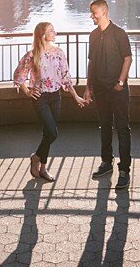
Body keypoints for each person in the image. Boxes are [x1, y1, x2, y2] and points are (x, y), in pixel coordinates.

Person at [13, 21, 87, 181]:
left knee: (48, 133)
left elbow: (65, 77)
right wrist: (27, 91)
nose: (55, 33)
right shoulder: (32, 55)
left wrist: (76, 96)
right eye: (51, 31)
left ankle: (43, 168)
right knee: (52, 133)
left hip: (55, 97)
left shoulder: (59, 52)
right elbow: (19, 74)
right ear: (42, 35)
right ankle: (35, 157)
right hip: (40, 98)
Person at [83, 0, 133, 190]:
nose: (91, 16)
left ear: (103, 12)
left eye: (94, 13)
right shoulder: (93, 35)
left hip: (118, 90)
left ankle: (124, 170)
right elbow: (92, 62)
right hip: (100, 89)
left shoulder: (120, 34)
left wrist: (121, 82)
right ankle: (106, 163)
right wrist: (88, 87)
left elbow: (127, 58)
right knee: (104, 126)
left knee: (122, 128)